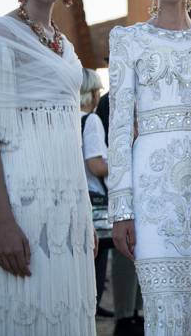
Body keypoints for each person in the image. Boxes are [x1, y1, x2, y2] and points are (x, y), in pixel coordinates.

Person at [0, 0, 96, 335]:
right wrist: (4, 222)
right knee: (25, 308)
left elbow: (70, 130)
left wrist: (83, 216)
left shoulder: (65, 46)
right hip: (21, 197)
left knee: (67, 312)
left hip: (67, 199)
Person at [108, 0, 191, 335]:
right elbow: (119, 127)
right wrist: (121, 210)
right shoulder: (128, 40)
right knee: (162, 311)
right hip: (153, 192)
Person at [96, 89, 145, 335]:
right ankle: (124, 315)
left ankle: (136, 312)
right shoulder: (109, 100)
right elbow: (112, 142)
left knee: (142, 250)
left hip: (145, 178)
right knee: (125, 251)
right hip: (124, 182)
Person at [78, 68, 113, 318]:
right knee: (98, 257)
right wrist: (122, 163)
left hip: (75, 196)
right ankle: (93, 307)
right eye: (97, 89)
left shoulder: (66, 119)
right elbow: (96, 164)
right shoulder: (90, 121)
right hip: (95, 199)